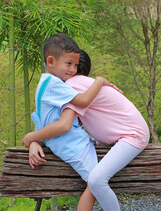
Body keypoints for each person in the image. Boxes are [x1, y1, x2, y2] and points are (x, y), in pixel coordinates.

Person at [23, 49, 150, 211]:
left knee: (96, 180)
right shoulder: (83, 84)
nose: (71, 68)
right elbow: (54, 122)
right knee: (95, 183)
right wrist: (34, 140)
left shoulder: (72, 86)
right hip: (128, 135)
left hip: (132, 136)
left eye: (73, 65)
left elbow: (62, 124)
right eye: (69, 64)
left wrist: (32, 138)